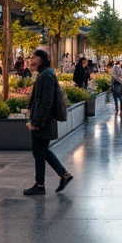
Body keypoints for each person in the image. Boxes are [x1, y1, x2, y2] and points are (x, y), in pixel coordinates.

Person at [23, 49, 73, 195]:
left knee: (40, 151)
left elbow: (46, 101)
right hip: (43, 120)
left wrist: (36, 122)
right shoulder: (45, 74)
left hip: (43, 122)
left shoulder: (46, 76)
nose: (30, 60)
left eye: (32, 57)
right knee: (40, 152)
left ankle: (44, 183)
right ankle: (53, 179)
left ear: (39, 59)